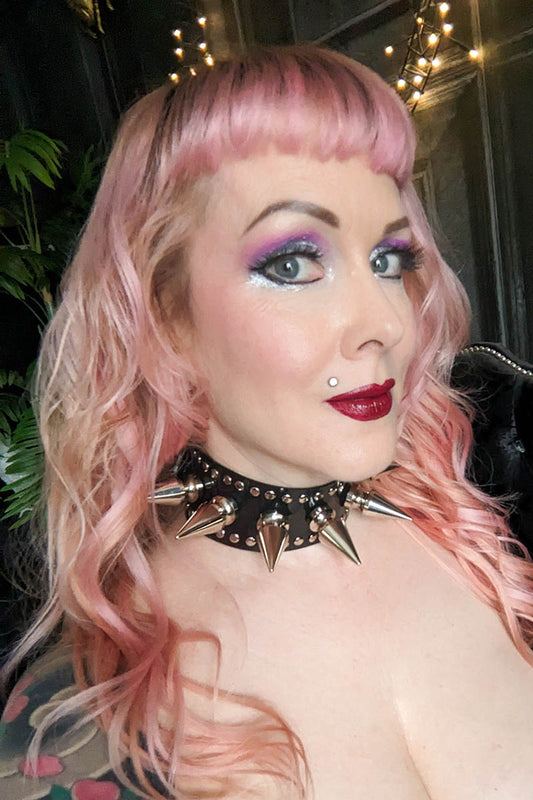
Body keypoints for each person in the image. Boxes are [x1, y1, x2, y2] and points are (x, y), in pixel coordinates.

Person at [1, 44, 533, 800]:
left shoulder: (470, 545)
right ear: (166, 317)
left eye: (388, 259)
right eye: (292, 264)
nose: (386, 322)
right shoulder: (77, 723)